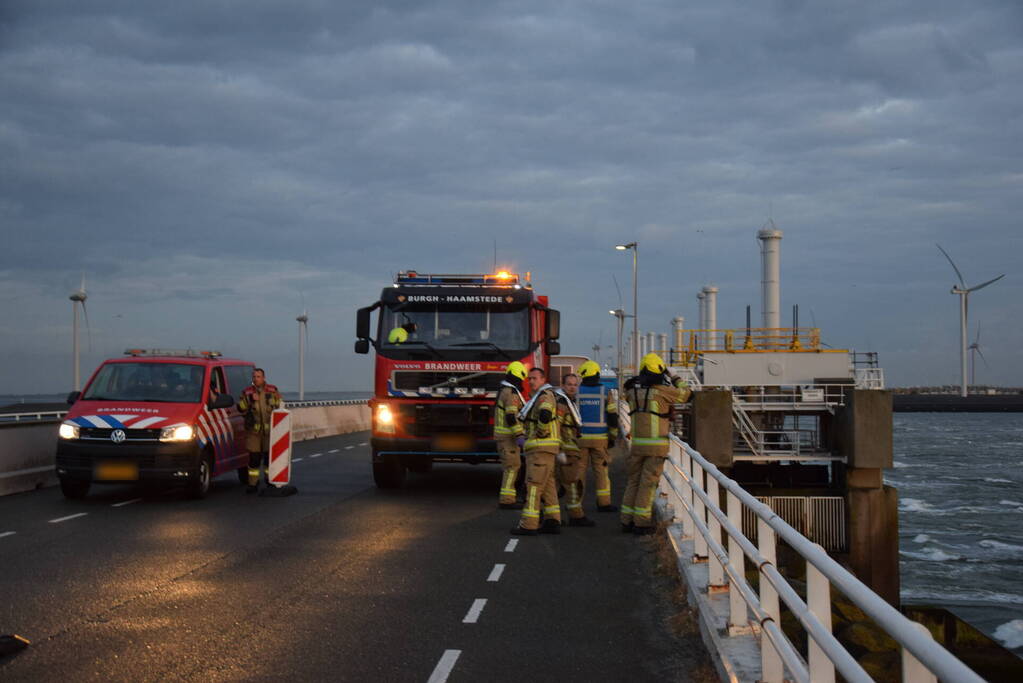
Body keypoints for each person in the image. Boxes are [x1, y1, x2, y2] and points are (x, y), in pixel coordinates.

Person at [620, 353, 691, 535]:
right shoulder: (662, 391)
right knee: (648, 484)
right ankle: (641, 523)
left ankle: (626, 520)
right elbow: (687, 394)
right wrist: (674, 377)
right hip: (656, 446)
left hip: (637, 445)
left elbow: (629, 391)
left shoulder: (631, 391)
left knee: (633, 481)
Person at [511, 367, 562, 536]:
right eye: (529, 378)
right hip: (547, 449)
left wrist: (541, 431)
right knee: (548, 487)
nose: (531, 381)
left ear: (543, 379)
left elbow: (545, 415)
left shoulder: (544, 396)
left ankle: (529, 524)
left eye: (534, 378)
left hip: (540, 448)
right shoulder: (542, 395)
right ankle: (552, 521)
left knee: (533, 487)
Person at [572, 360, 620, 515]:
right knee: (601, 471)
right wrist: (613, 437)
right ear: (597, 375)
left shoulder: (576, 392)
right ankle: (604, 503)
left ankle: (576, 504)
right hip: (600, 439)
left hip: (580, 438)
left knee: (579, 472)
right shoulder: (605, 392)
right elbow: (612, 417)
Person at [556, 373, 594, 527]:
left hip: (570, 449)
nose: (572, 387)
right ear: (563, 385)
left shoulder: (570, 402)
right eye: (569, 384)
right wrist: (559, 451)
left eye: (575, 384)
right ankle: (576, 515)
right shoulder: (562, 403)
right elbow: (556, 427)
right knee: (572, 483)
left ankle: (553, 517)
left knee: (562, 483)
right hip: (565, 450)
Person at [237, 368, 283, 493]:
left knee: (268, 458)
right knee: (254, 459)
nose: (256, 379)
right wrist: (250, 400)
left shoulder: (272, 390)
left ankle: (269, 481)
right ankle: (253, 483)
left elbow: (280, 406)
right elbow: (240, 408)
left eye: (258, 376)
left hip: (269, 432)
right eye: (254, 376)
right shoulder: (247, 392)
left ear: (263, 378)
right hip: (253, 432)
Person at [494, 361, 528, 509]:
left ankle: (508, 498)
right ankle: (507, 500)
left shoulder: (504, 390)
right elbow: (511, 416)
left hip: (504, 437)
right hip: (509, 438)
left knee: (511, 467)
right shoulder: (511, 393)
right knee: (512, 467)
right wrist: (520, 435)